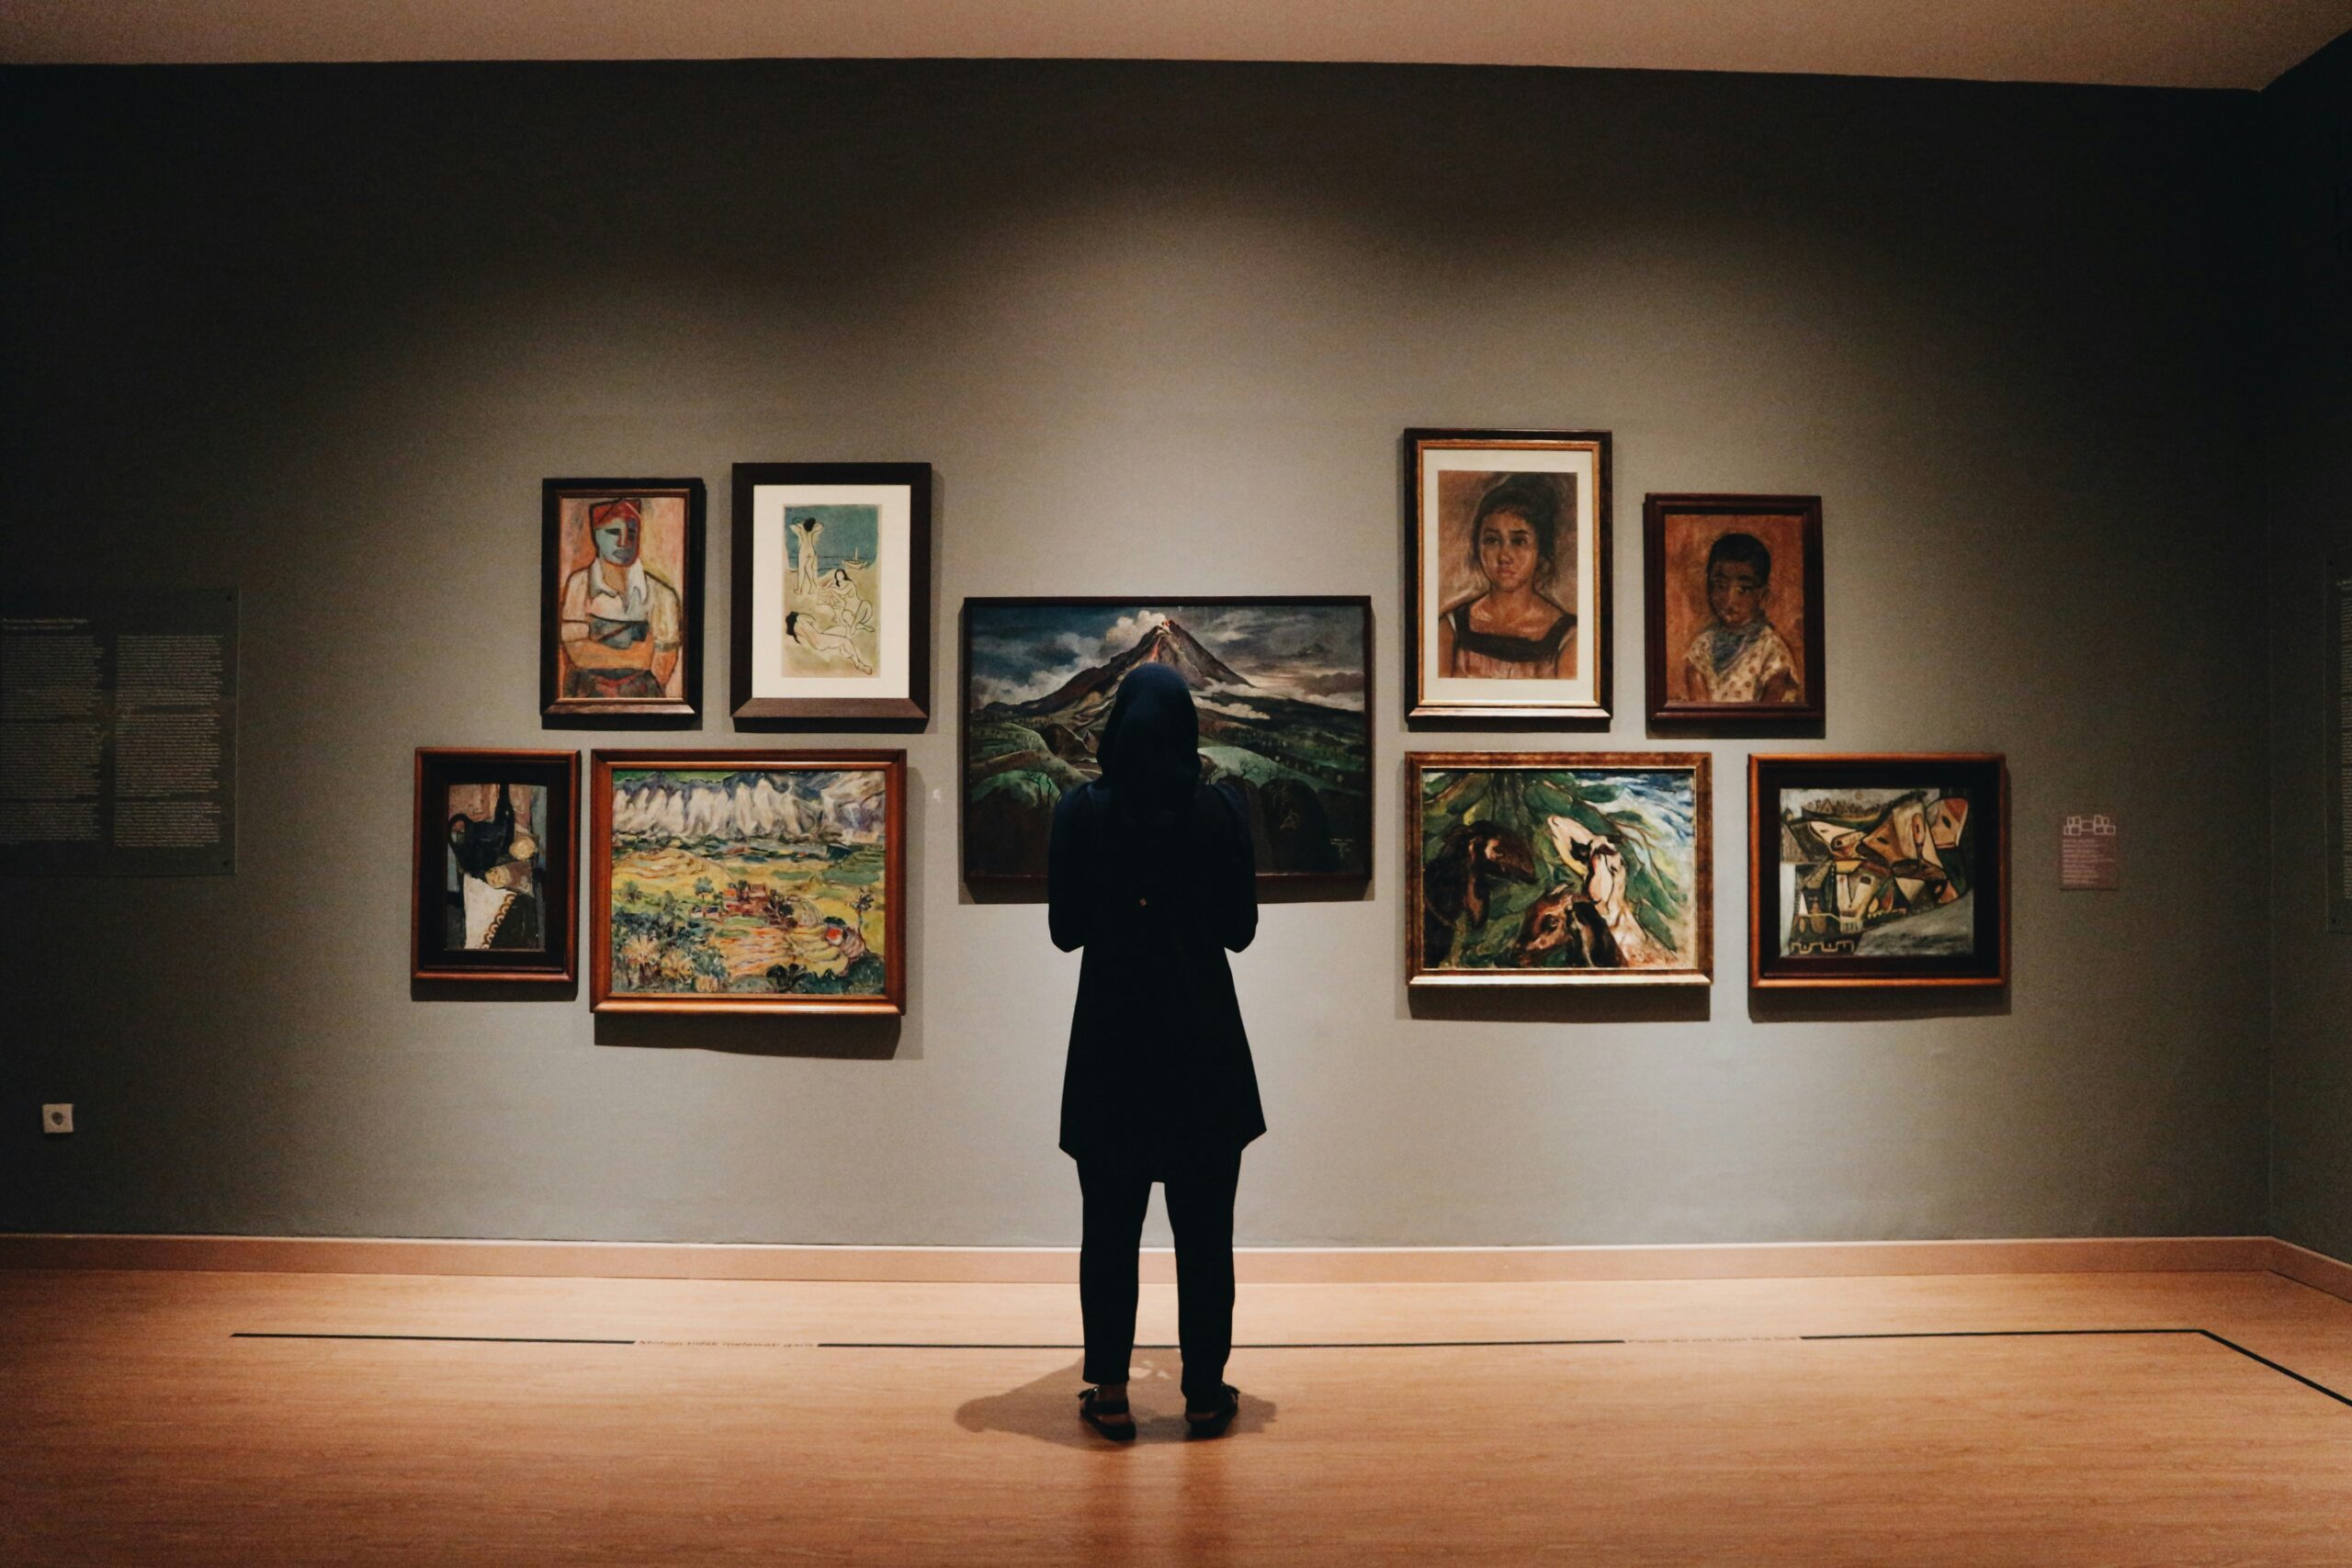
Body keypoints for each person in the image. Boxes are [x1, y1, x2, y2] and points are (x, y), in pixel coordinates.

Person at [1048, 663, 1261, 1442]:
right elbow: (1240, 930)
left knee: (1108, 1229)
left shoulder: (1081, 812)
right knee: (1206, 1234)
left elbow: (1065, 930)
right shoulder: (1221, 812)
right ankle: (1203, 1391)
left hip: (1110, 1046)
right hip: (1203, 1045)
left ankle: (1109, 1390)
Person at [1437, 472, 1576, 678]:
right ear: (1478, 546)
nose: (1504, 556)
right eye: (1492, 540)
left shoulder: (1567, 637)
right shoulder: (1452, 628)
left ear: (1540, 552)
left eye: (1519, 542)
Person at [558, 497, 684, 699]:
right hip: (585, 697)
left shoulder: (662, 594)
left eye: (631, 533)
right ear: (596, 535)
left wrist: (594, 635)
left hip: (642, 698)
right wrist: (640, 648)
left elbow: (664, 661)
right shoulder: (579, 585)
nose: (623, 542)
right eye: (613, 532)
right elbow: (575, 653)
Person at [1681, 531, 1799, 704]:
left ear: (1763, 596)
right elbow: (1700, 712)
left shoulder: (1771, 650)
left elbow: (1769, 718)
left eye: (1743, 589)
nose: (1730, 599)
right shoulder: (1702, 647)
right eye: (1721, 585)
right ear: (1709, 588)